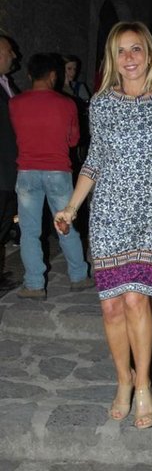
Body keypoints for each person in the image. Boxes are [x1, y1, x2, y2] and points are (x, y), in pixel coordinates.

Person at [54, 21, 152, 430]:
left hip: (151, 212)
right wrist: (71, 208)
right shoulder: (101, 104)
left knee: (136, 299)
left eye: (136, 49)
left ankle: (144, 383)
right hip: (108, 214)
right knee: (111, 305)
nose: (129, 58)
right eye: (120, 51)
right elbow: (94, 160)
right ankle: (123, 380)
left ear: (149, 54)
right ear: (112, 59)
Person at [9, 53, 93, 299]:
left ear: (29, 75)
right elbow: (74, 140)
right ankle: (78, 276)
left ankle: (34, 284)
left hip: (27, 172)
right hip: (58, 172)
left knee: (29, 231)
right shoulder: (67, 104)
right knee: (65, 226)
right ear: (54, 75)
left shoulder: (15, 103)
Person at [0, 35, 19, 283]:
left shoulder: (7, 83)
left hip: (9, 168)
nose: (14, 55)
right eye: (9, 51)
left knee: (4, 224)